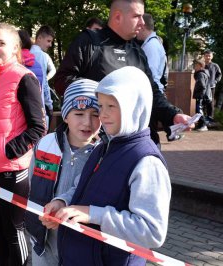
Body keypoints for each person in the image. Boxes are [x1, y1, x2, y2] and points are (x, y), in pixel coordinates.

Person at [54, 66, 171, 265]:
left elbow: (152, 232)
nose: (103, 114)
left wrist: (93, 214)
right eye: (101, 105)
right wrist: (63, 203)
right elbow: (81, 187)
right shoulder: (103, 147)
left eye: (112, 106)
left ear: (133, 107)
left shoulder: (146, 162)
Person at [54, 0, 192, 145]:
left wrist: (173, 114)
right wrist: (99, 99)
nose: (142, 23)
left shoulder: (138, 52)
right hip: (95, 143)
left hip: (132, 142)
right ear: (118, 17)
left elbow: (151, 93)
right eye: (136, 16)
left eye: (142, 17)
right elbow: (62, 80)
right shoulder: (89, 42)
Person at [0, 23, 46, 266]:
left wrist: (10, 151)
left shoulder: (24, 78)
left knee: (14, 231)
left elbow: (38, 126)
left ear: (15, 47)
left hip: (12, 170)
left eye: (1, 43)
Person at [26, 79, 101, 266]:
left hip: (82, 244)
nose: (87, 122)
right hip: (44, 240)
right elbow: (31, 184)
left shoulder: (103, 154)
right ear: (66, 115)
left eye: (95, 114)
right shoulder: (45, 144)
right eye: (79, 113)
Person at [30, 25, 55, 129]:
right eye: (48, 41)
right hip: (39, 104)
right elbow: (43, 83)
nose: (50, 45)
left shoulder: (25, 53)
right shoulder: (41, 56)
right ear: (39, 38)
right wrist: (49, 104)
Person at [136, 13, 167, 94]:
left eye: (137, 26)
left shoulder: (151, 45)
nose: (136, 30)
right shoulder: (151, 43)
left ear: (143, 27)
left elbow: (151, 74)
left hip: (152, 92)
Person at [203, 50, 222, 123]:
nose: (208, 57)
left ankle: (210, 117)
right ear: (204, 56)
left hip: (211, 86)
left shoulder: (215, 65)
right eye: (206, 55)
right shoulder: (202, 64)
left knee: (210, 101)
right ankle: (202, 117)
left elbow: (219, 74)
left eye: (209, 56)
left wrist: (215, 81)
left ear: (212, 57)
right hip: (202, 86)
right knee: (202, 101)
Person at [192, 59, 211, 132]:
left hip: (201, 96)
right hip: (202, 95)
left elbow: (202, 85)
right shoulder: (202, 73)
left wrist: (200, 95)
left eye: (196, 66)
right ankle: (200, 125)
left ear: (201, 66)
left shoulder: (200, 74)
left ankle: (203, 125)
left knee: (199, 111)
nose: (195, 67)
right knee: (199, 111)